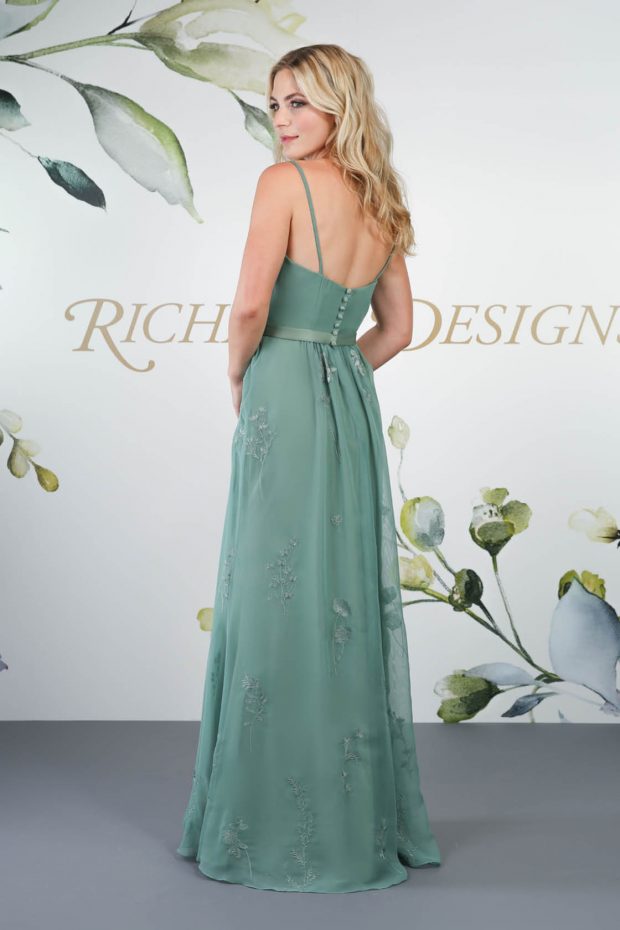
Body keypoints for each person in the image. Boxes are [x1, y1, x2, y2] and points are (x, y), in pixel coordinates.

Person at [176, 43, 442, 893]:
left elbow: (251, 305)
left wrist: (240, 374)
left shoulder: (281, 184)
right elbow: (398, 329)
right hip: (344, 398)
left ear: (339, 105)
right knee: (337, 596)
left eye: (298, 102)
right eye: (274, 104)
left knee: (273, 589)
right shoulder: (379, 195)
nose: (281, 120)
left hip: (283, 389)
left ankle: (265, 818)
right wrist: (341, 372)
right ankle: (346, 817)